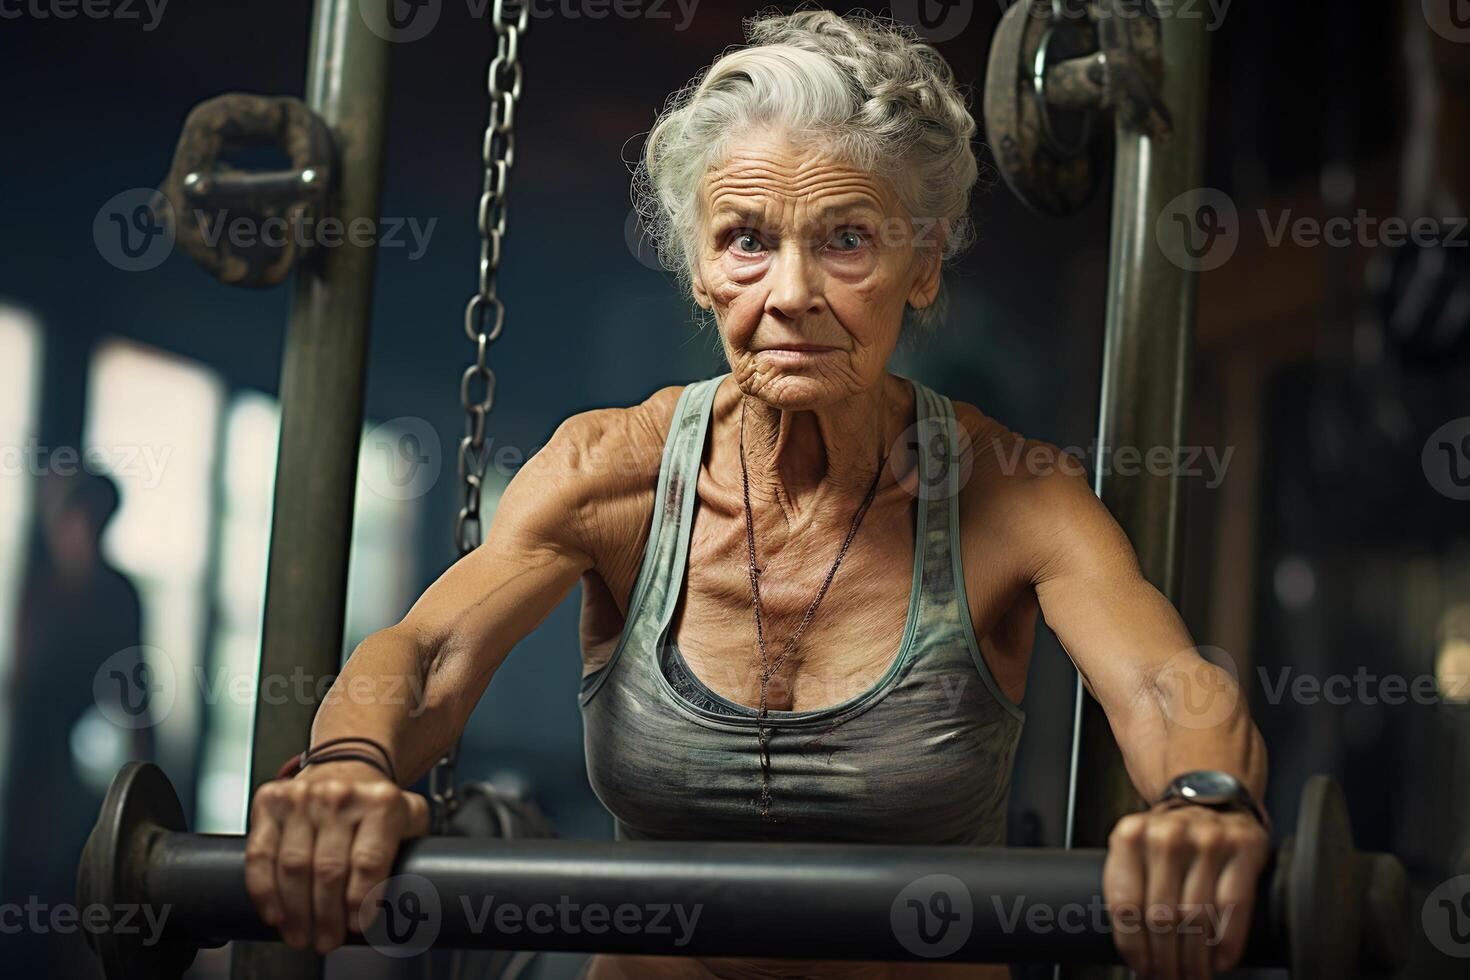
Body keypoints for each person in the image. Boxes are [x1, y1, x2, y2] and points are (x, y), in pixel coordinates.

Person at [243, 11, 1268, 979]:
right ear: (698, 267)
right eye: (746, 238)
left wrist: (1202, 798)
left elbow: (1164, 684)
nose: (789, 292)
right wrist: (346, 762)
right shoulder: (612, 471)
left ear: (924, 261)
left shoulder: (1016, 496)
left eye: (847, 239)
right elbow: (425, 654)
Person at [1, 469, 149, 975]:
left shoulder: (116, 596)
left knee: (53, 905)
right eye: (74, 517)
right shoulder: (35, 590)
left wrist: (141, 796)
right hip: (21, 765)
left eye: (93, 519)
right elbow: (20, 688)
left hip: (71, 779)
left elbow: (136, 697)